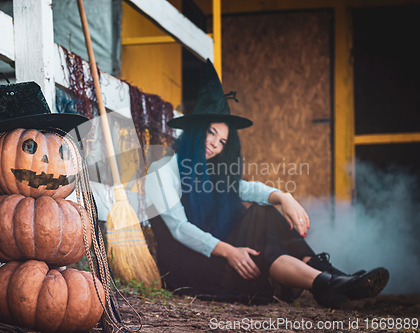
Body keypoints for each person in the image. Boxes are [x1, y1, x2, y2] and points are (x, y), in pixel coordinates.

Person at [144, 59, 389, 308]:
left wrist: (284, 197)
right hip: (187, 266)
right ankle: (330, 280)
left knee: (264, 213)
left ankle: (326, 281)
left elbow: (245, 188)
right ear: (195, 129)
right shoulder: (162, 169)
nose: (215, 145)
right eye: (211, 132)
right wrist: (230, 251)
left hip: (213, 254)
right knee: (262, 223)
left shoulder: (207, 169)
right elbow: (179, 229)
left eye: (223, 142)